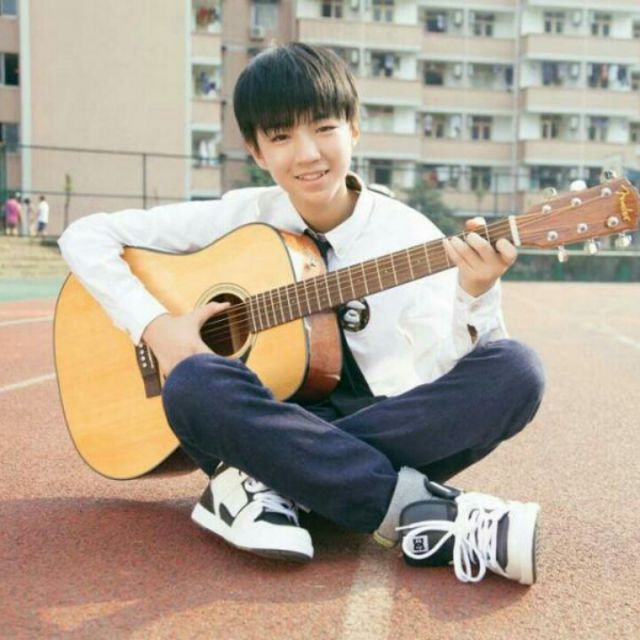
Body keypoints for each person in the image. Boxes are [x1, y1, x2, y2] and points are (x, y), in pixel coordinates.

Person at [58, 43, 545, 584]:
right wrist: (156, 327)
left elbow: (443, 376)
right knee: (194, 381)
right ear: (256, 151)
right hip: (261, 416)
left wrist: (475, 292)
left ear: (354, 128)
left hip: (345, 424)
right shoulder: (243, 217)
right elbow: (85, 235)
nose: (307, 153)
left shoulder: (410, 237)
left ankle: (269, 485)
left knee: (516, 371)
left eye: (324, 128)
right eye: (281, 137)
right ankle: (423, 513)